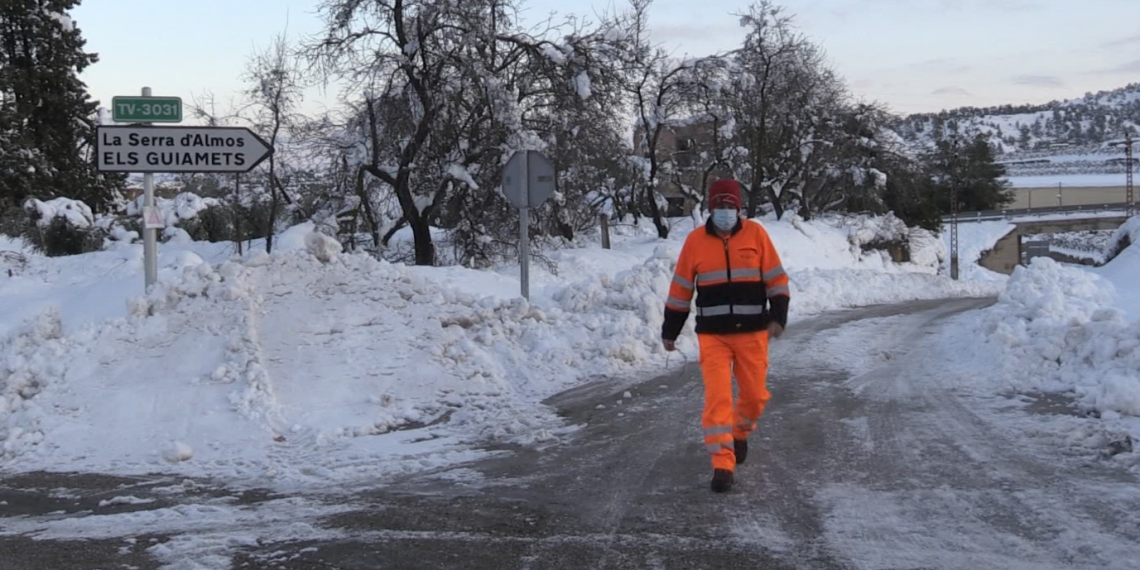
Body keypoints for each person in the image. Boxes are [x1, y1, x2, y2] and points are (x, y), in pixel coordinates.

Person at [661, 179, 790, 493]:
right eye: (719, 206)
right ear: (710, 208)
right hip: (713, 336)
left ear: (739, 208)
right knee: (717, 399)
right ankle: (722, 464)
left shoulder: (756, 235)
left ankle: (740, 432)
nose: (725, 212)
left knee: (755, 397)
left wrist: (778, 317)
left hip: (753, 333)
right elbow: (680, 290)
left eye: (730, 206)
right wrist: (670, 330)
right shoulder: (695, 242)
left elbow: (776, 279)